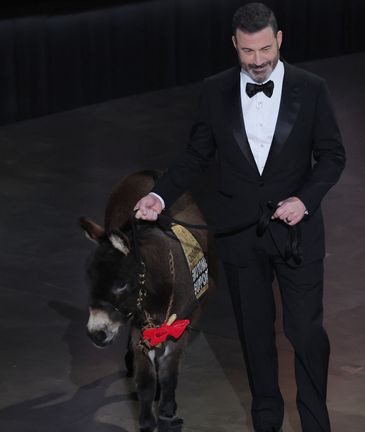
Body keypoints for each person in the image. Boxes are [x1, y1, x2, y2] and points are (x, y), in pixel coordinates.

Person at [134, 3, 345, 431]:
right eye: (248, 52)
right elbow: (197, 155)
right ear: (235, 45)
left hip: (296, 232)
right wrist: (159, 195)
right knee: (254, 336)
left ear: (279, 39)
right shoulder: (216, 90)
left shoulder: (312, 87)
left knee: (304, 332)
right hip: (239, 234)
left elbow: (332, 157)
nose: (259, 61)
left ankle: (316, 424)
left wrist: (304, 201)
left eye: (266, 49)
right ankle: (266, 422)